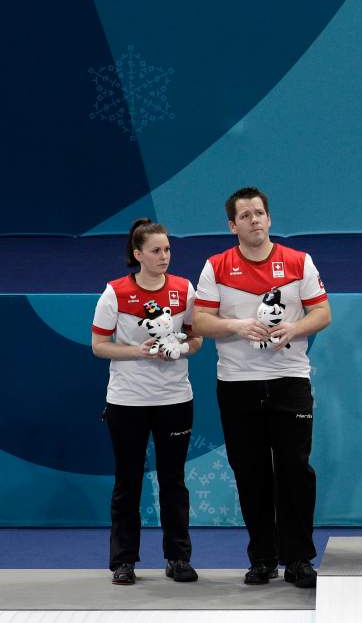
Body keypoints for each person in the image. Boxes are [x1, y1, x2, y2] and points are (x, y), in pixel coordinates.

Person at [191, 187, 331, 588]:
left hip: (289, 380)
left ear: (269, 218)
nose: (255, 220)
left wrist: (294, 328)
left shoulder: (298, 261)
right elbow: (200, 322)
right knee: (251, 473)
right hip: (238, 384)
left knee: (295, 471)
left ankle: (299, 559)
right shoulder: (216, 266)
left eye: (260, 213)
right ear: (232, 225)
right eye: (246, 215)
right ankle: (264, 558)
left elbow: (322, 311)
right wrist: (236, 326)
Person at [91, 218, 203, 585]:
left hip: (174, 398)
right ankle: (124, 561)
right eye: (156, 250)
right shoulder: (116, 292)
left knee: (174, 481)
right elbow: (98, 346)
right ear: (138, 254)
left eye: (168, 249)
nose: (164, 256)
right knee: (128, 481)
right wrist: (136, 352)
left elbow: (197, 340)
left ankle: (178, 558)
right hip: (127, 401)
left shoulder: (184, 289)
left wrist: (180, 348)